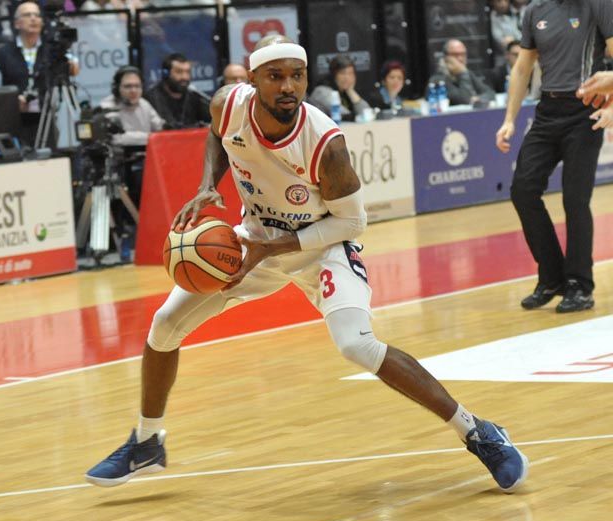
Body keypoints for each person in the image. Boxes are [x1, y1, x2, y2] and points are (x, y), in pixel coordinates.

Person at [85, 35, 529, 494]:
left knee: (356, 344)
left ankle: (478, 431)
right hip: (255, 240)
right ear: (252, 79)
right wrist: (207, 185)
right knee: (165, 325)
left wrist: (274, 248)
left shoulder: (324, 143)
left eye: (296, 76)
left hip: (323, 247)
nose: (287, 87)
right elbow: (218, 136)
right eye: (275, 77)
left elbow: (352, 222)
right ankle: (146, 442)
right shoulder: (227, 105)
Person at [496, 0, 613, 312]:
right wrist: (509, 120)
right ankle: (551, 278)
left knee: (575, 200)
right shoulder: (535, 10)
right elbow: (523, 68)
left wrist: (612, 105)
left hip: (585, 110)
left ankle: (580, 285)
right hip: (547, 110)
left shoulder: (599, 5)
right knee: (523, 191)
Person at [0, 0, 80, 147]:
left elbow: (74, 68)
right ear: (17, 23)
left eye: (37, 15)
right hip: (14, 122)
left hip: (47, 120)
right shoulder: (1, 55)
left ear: (42, 22)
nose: (33, 18)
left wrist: (68, 61)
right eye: (27, 15)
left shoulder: (52, 50)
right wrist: (11, 101)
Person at [100, 65, 164, 147]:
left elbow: (160, 128)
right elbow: (117, 138)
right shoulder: (107, 107)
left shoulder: (144, 104)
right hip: (120, 153)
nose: (133, 91)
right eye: (128, 86)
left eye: (137, 86)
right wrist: (151, 137)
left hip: (146, 152)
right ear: (117, 88)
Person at [144, 52, 212, 130]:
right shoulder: (150, 99)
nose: (185, 77)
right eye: (179, 72)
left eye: (187, 72)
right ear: (166, 74)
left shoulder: (194, 96)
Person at [429, 39, 495, 106]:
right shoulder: (438, 79)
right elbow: (465, 100)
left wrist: (478, 98)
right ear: (446, 57)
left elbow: (490, 93)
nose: (460, 58)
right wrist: (463, 72)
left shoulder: (467, 73)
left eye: (463, 54)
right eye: (455, 54)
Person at [307, 55, 369, 122]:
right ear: (334, 75)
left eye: (351, 73)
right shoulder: (322, 92)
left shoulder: (346, 92)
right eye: (343, 73)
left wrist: (351, 91)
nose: (347, 77)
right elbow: (345, 116)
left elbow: (367, 115)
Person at [489, 0, 522, 66]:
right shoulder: (492, 16)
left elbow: (521, 35)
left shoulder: (516, 13)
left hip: (519, 49)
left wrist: (514, 40)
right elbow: (498, 38)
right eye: (499, 1)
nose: (503, 4)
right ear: (493, 2)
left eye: (505, 1)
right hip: (501, 55)